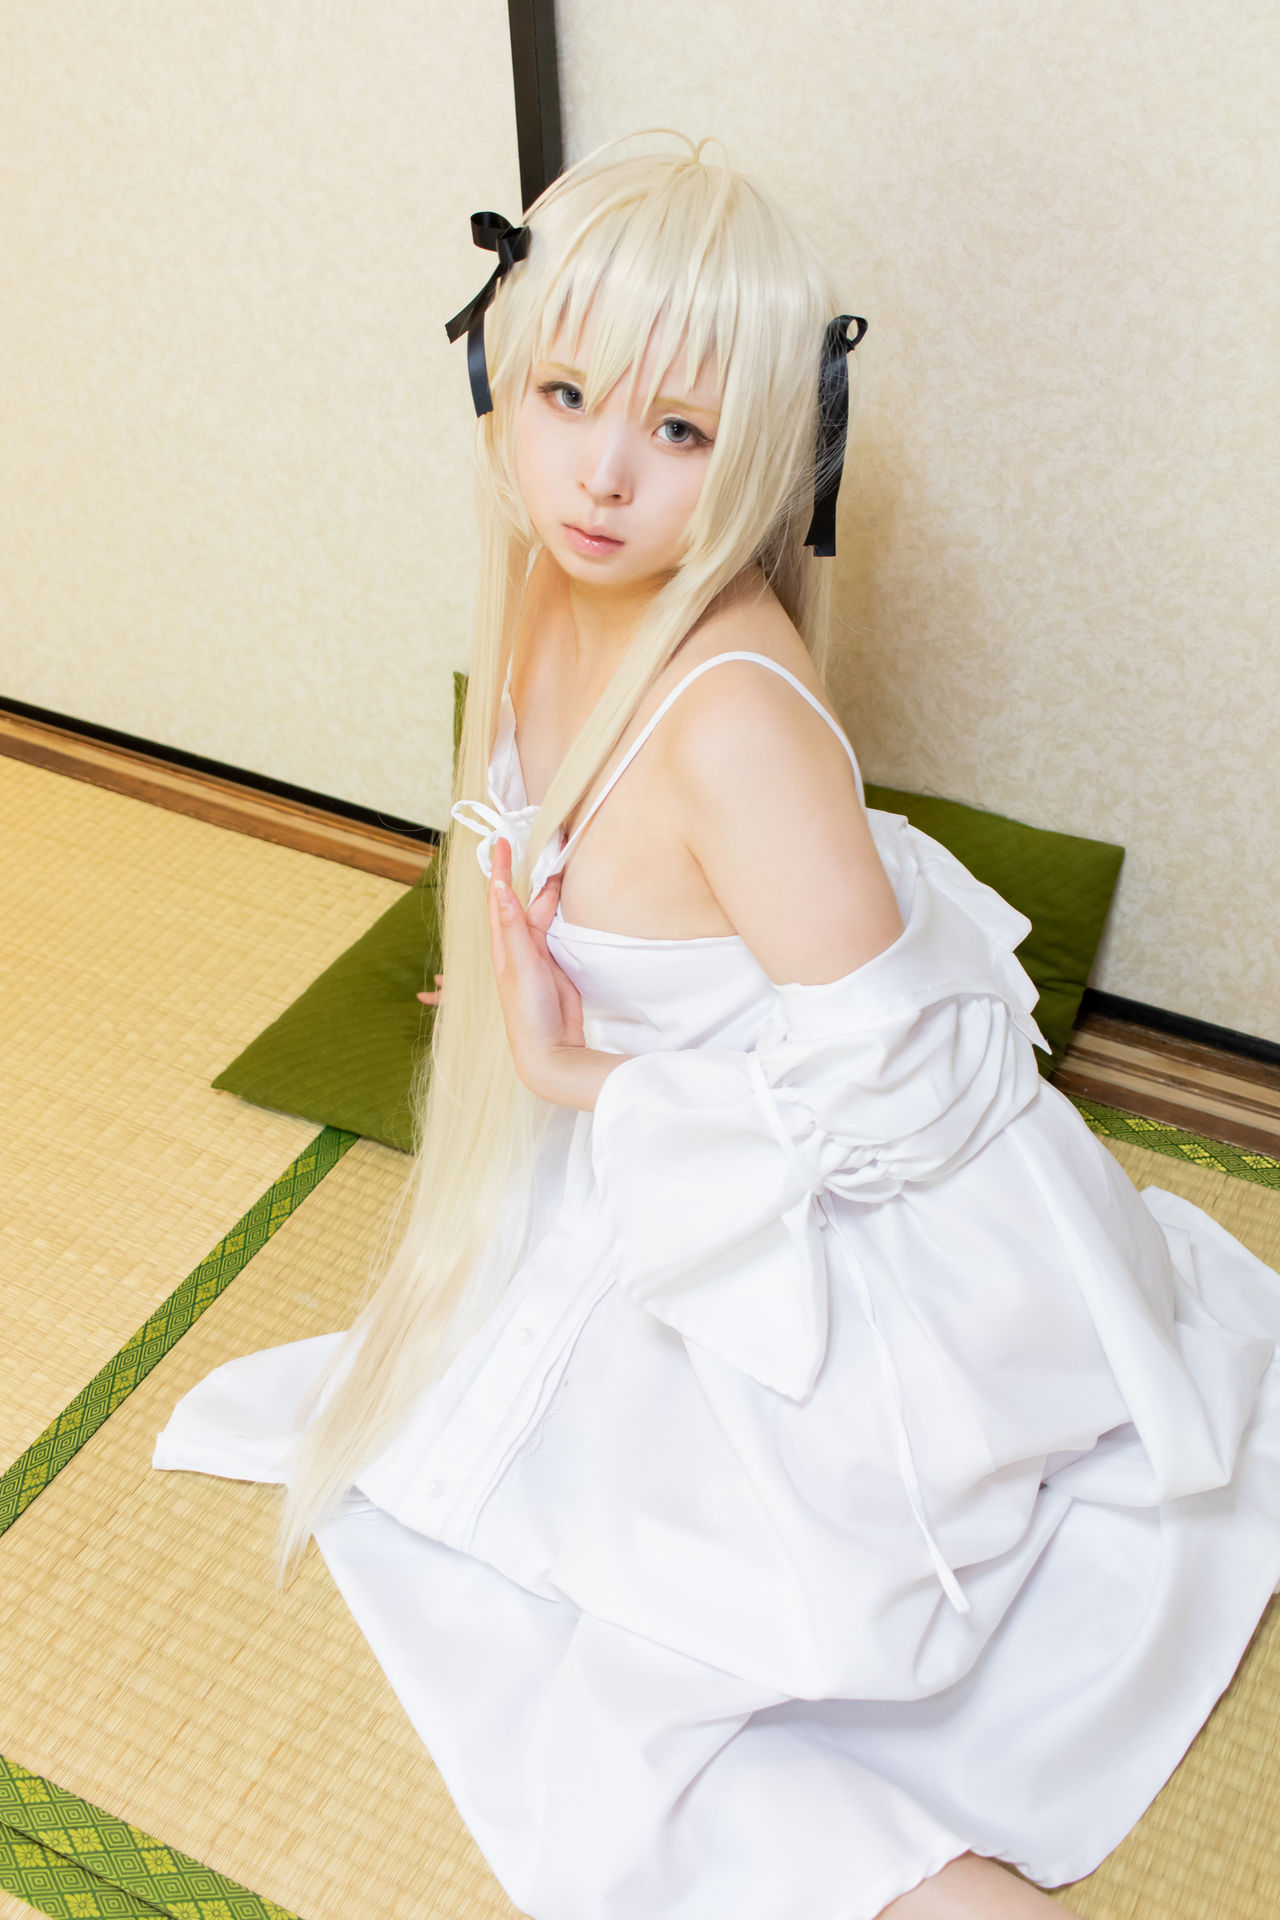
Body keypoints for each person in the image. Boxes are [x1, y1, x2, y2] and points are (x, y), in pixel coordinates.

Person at [154, 134, 1280, 1919]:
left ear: (761, 447)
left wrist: (582, 1068)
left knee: (649, 1694)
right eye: (566, 395)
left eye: (679, 429)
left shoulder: (735, 714)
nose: (601, 473)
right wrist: (549, 998)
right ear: (501, 380)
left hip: (835, 1220)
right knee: (467, 1510)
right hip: (670, 1166)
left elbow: (904, 1107)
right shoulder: (549, 573)